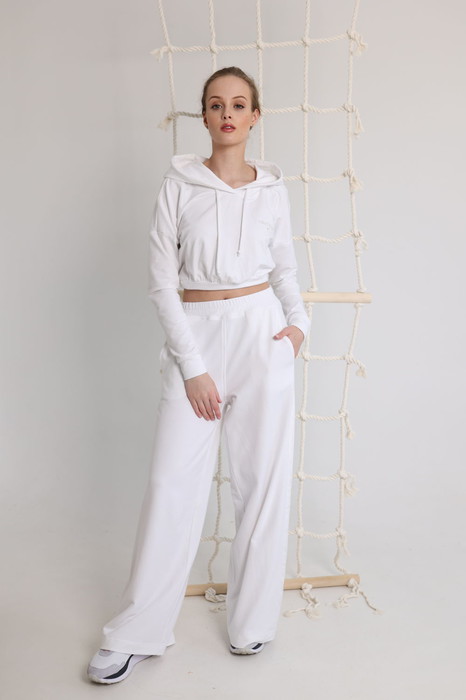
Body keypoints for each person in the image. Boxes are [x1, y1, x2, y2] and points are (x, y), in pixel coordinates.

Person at [87, 65, 311, 685]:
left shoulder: (272, 189)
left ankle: (252, 623)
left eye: (239, 104)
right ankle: (136, 633)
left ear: (255, 116)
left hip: (262, 335)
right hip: (198, 335)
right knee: (171, 484)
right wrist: (193, 368)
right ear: (205, 116)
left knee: (262, 484)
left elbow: (285, 269)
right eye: (216, 104)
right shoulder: (178, 185)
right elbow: (163, 283)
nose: (227, 114)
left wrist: (298, 327)